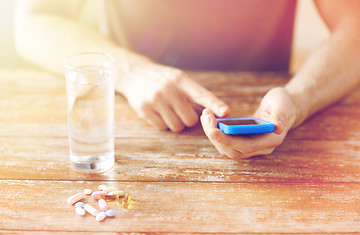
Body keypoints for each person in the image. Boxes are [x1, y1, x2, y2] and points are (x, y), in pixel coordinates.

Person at [14, 0, 360, 158]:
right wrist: (131, 72)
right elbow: (34, 20)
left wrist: (298, 100)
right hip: (130, 123)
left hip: (274, 126)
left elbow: (355, 27)